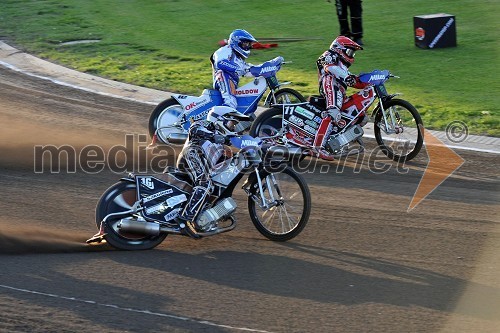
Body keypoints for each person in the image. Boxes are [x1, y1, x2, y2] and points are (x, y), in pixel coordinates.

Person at [175, 106, 251, 236]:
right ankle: (184, 221)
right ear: (220, 119)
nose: (233, 128)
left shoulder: (223, 146)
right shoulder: (206, 124)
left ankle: (205, 214)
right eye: (231, 123)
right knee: (205, 184)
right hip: (191, 155)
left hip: (201, 165)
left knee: (212, 184)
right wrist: (214, 136)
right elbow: (194, 129)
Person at [211, 29, 284, 109]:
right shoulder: (225, 50)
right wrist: (238, 69)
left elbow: (248, 70)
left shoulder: (238, 59)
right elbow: (220, 63)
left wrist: (266, 67)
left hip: (231, 83)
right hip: (222, 79)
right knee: (231, 104)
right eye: (246, 43)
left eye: (249, 44)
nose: (248, 46)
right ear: (237, 42)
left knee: (242, 109)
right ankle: (221, 114)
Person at [316, 35, 369, 125]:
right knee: (333, 114)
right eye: (349, 51)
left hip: (340, 93)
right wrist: (346, 77)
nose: (351, 55)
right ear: (339, 49)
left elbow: (353, 81)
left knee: (361, 117)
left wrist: (369, 82)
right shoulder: (329, 55)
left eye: (353, 53)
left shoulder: (343, 69)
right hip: (330, 85)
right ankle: (320, 138)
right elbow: (330, 68)